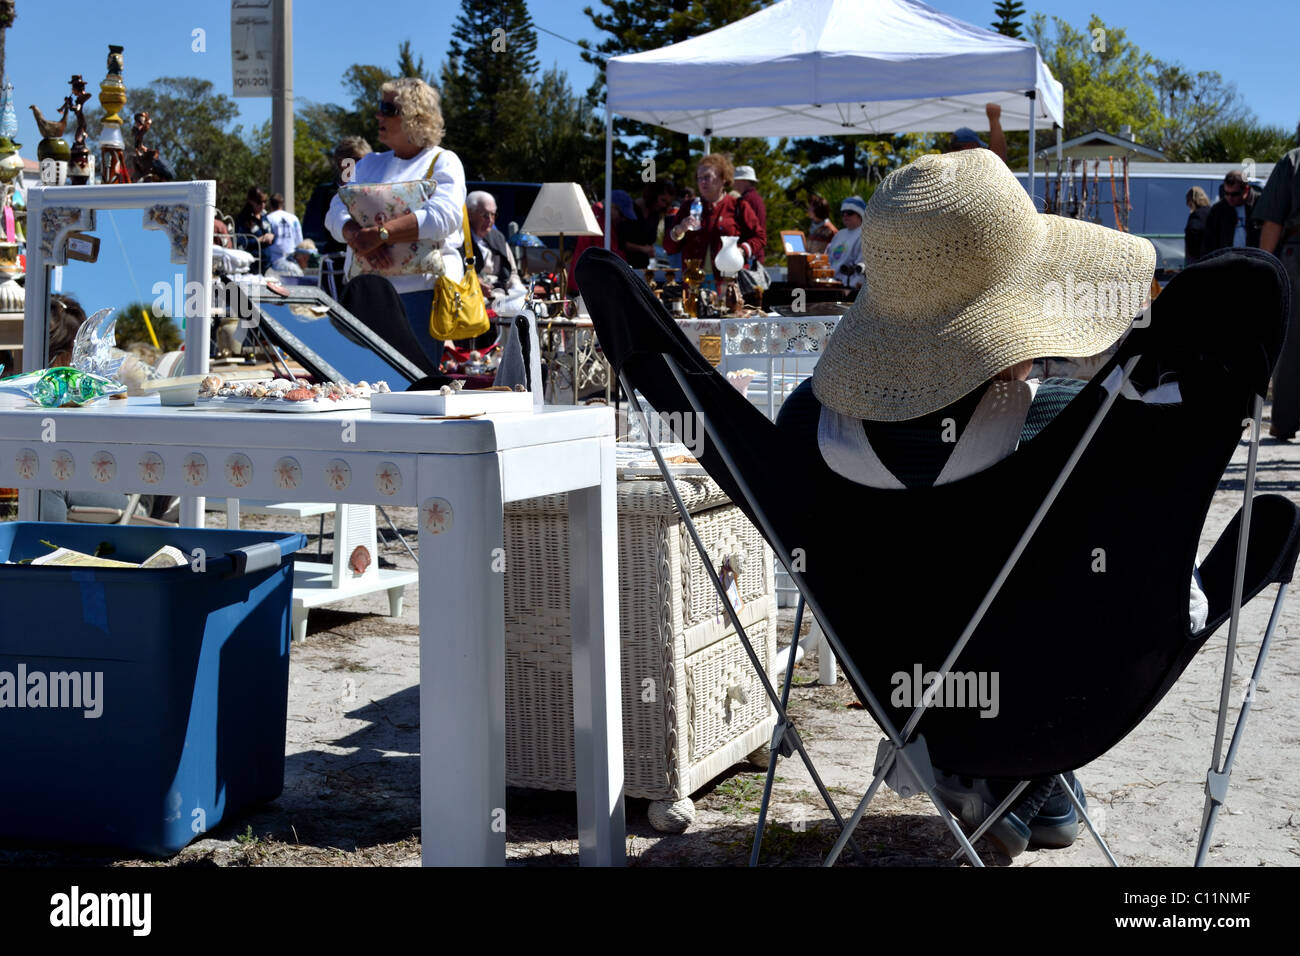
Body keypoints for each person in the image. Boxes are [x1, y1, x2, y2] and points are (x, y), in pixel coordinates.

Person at [777, 149, 1165, 858]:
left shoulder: (805, 425)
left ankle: (1025, 790)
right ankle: (1021, 788)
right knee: (1066, 598)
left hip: (900, 689)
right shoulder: (1065, 423)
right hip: (1038, 695)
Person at [325, 77, 466, 366]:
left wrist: (380, 234)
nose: (378, 115)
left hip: (421, 297)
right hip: (368, 295)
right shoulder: (367, 164)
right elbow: (336, 208)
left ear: (414, 116)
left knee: (417, 390)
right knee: (363, 383)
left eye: (387, 109)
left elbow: (445, 217)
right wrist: (356, 235)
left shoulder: (443, 161)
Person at [1254, 127, 1300, 440]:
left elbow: (1273, 221)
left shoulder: (1293, 161)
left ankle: (1284, 421)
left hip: (1296, 257)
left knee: (1292, 344)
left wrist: (1262, 270)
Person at [663, 154, 765, 274]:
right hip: (693, 282)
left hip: (728, 282)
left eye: (707, 177)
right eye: (699, 178)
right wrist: (679, 230)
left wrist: (742, 250)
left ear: (723, 178)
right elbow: (669, 247)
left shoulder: (738, 206)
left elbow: (760, 237)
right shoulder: (688, 206)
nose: (702, 182)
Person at [304, 136, 372, 256]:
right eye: (358, 160)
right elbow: (316, 230)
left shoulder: (373, 192)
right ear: (342, 163)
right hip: (335, 260)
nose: (364, 165)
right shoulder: (326, 193)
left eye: (367, 160)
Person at [569, 189, 636, 293]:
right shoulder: (602, 222)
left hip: (581, 280)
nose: (623, 219)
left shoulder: (597, 216)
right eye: (622, 215)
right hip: (587, 284)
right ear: (611, 207)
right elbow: (611, 255)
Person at [466, 189, 520, 296]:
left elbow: (513, 273)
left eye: (493, 215)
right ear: (470, 214)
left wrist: (517, 288)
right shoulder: (460, 239)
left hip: (500, 294)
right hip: (472, 295)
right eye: (485, 215)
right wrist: (476, 283)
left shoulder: (498, 237)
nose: (490, 220)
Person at [1204, 169, 1262, 253]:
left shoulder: (1260, 204)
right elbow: (1208, 242)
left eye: (1235, 194)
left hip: (1255, 260)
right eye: (1226, 193)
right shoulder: (1218, 210)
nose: (1229, 198)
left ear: (1246, 189)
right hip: (1227, 260)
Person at [623, 180, 674, 269]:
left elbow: (650, 241)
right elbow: (621, 242)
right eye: (662, 200)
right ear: (653, 195)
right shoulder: (630, 210)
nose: (663, 205)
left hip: (643, 267)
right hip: (625, 265)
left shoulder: (655, 214)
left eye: (667, 203)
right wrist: (642, 248)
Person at [824, 196, 865, 290]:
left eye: (850, 213)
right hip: (832, 284)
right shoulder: (839, 234)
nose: (845, 215)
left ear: (860, 215)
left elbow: (862, 267)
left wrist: (853, 287)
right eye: (843, 213)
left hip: (849, 288)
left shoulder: (864, 235)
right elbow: (828, 260)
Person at [733, 165, 767, 267]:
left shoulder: (746, 200)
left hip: (749, 254)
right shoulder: (756, 197)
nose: (734, 183)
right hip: (755, 252)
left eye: (736, 180)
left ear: (744, 181)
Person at [234, 187, 275, 271]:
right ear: (251, 202)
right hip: (251, 266)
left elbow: (272, 233)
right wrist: (258, 240)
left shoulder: (264, 216)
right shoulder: (243, 219)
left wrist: (271, 236)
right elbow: (239, 242)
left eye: (265, 202)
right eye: (259, 202)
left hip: (267, 264)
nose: (262, 205)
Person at [265, 192, 303, 272]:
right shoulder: (294, 218)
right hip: (292, 263)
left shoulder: (268, 219)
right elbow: (299, 242)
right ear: (283, 204)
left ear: (270, 205)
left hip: (274, 263)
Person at [1184, 186, 1212, 265]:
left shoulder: (1196, 215)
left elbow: (1193, 233)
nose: (1187, 204)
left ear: (1192, 200)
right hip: (1211, 256)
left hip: (1197, 259)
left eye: (1188, 200)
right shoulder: (1212, 212)